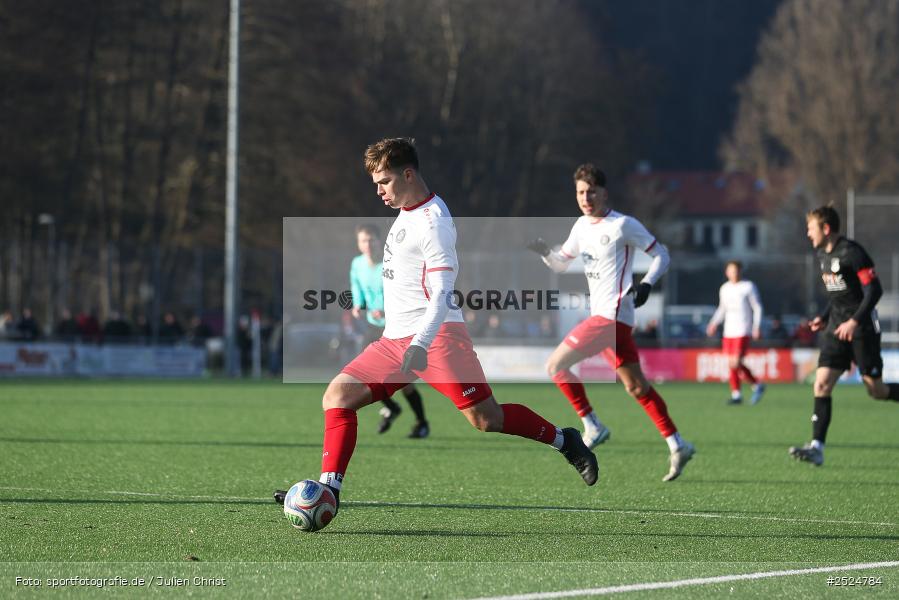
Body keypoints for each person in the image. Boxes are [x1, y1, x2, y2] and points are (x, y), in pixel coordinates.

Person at [275, 138, 597, 516]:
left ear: (408, 175)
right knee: (337, 397)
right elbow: (407, 280)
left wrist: (421, 343)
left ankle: (566, 440)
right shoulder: (404, 212)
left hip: (438, 338)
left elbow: (442, 291)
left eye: (384, 181)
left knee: (486, 419)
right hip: (396, 340)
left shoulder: (435, 222)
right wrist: (385, 315)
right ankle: (329, 490)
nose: (378, 190)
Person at [527, 163, 694, 482]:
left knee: (555, 366)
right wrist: (546, 253)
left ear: (604, 192)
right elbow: (562, 264)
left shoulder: (623, 225)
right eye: (580, 192)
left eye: (591, 191)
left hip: (611, 317)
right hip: (607, 319)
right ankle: (677, 443)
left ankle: (592, 425)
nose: (585, 197)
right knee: (636, 386)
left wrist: (647, 283)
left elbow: (662, 255)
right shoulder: (580, 226)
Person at [789, 206, 899, 466]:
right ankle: (817, 447)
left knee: (877, 390)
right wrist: (825, 317)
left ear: (826, 229)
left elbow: (874, 291)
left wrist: (854, 321)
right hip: (836, 329)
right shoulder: (822, 255)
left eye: (811, 228)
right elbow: (838, 294)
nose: (808, 233)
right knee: (822, 383)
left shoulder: (853, 253)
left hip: (862, 329)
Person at [350, 223, 429, 438]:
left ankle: (421, 423)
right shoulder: (357, 264)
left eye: (371, 240)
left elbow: (404, 291)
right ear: (358, 244)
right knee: (366, 375)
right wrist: (359, 304)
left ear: (379, 241)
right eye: (363, 240)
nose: (367, 244)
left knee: (403, 381)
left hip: (397, 327)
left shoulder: (390, 262)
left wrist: (385, 310)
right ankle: (392, 408)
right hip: (373, 328)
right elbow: (357, 287)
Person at [705, 261, 766, 405]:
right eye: (731, 270)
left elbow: (757, 308)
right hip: (729, 331)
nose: (734, 273)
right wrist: (713, 323)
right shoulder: (724, 288)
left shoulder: (748, 286)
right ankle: (737, 394)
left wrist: (757, 327)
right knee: (732, 364)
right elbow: (722, 308)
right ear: (727, 272)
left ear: (741, 271)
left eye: (736, 270)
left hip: (743, 329)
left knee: (736, 361)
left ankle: (756, 384)